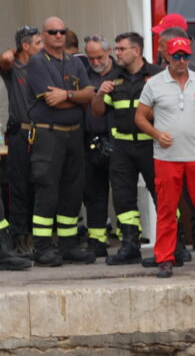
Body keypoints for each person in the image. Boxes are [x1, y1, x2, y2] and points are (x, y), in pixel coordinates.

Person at [134, 35, 195, 278]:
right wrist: (156, 134)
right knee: (166, 209)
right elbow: (139, 117)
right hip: (167, 156)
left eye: (185, 56)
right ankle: (165, 258)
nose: (182, 61)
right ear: (167, 57)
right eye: (177, 56)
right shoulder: (154, 84)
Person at [26, 16, 96, 266]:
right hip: (49, 133)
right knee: (47, 189)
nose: (58, 35)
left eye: (62, 31)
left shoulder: (74, 63)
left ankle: (68, 245)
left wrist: (67, 94)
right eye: (53, 32)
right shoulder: (37, 63)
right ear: (43, 36)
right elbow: (50, 101)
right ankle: (42, 247)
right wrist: (78, 98)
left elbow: (90, 95)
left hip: (74, 133)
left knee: (72, 189)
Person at [91, 32, 162, 265]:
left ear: (137, 51)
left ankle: (174, 245)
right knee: (123, 198)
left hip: (151, 145)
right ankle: (131, 245)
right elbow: (98, 111)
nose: (117, 53)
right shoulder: (113, 78)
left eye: (121, 49)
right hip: (122, 146)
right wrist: (100, 93)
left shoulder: (157, 76)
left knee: (162, 195)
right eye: (117, 48)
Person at [0, 25, 42, 257]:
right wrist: (13, 52)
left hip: (43, 134)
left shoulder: (44, 66)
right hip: (20, 134)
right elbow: (5, 59)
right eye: (38, 43)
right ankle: (20, 237)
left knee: (41, 187)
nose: (42, 47)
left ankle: (39, 238)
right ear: (25, 46)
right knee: (19, 188)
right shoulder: (14, 67)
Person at [82, 34, 115, 257]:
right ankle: (97, 240)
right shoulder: (83, 75)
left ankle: (128, 239)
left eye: (99, 57)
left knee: (123, 194)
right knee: (93, 193)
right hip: (90, 141)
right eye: (90, 58)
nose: (95, 62)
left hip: (117, 141)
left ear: (109, 51)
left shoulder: (121, 74)